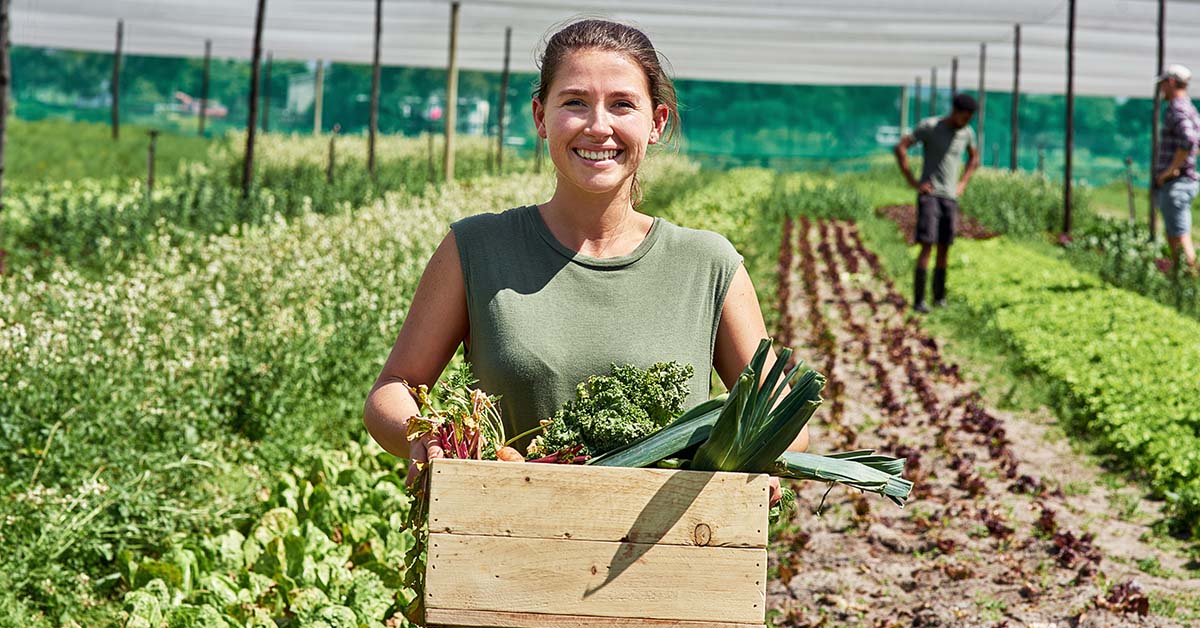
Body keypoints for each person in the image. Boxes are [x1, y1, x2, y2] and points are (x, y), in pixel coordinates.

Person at [362, 19, 806, 504]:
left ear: (655, 123)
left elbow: (783, 415)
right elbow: (393, 388)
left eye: (622, 104)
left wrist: (758, 455)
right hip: (501, 543)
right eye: (574, 102)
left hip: (668, 559)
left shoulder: (707, 265)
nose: (598, 126)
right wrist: (422, 438)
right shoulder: (475, 249)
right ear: (540, 116)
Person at [893, 93, 980, 312]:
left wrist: (962, 184)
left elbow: (974, 159)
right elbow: (901, 147)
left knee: (944, 247)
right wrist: (913, 181)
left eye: (970, 118)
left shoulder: (967, 133)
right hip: (930, 196)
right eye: (965, 117)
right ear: (955, 111)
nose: (967, 121)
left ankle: (939, 298)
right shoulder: (930, 127)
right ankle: (919, 300)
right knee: (927, 246)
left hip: (950, 198)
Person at [1154, 63, 1199, 269]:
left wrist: (1170, 171)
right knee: (1178, 232)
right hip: (1184, 179)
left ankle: (1187, 283)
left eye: (1163, 84)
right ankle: (1181, 280)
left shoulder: (1177, 107)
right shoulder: (1190, 108)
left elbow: (1189, 140)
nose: (1162, 89)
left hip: (1177, 181)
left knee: (1179, 235)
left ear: (1171, 82)